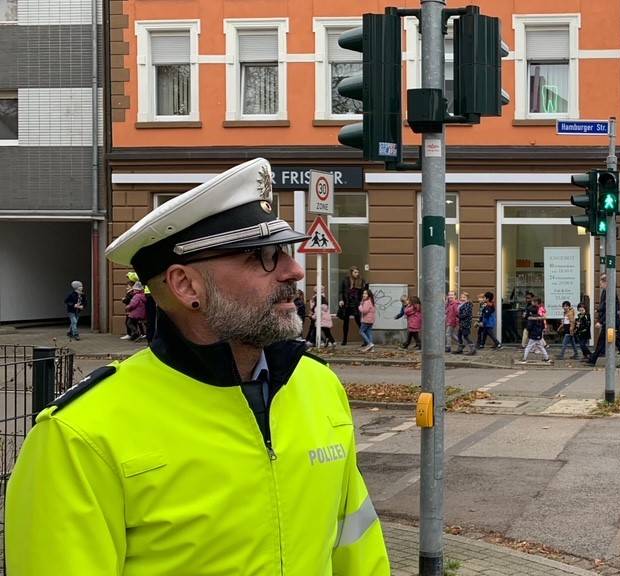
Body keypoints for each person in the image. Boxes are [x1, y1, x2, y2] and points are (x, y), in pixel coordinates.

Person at [6, 158, 389, 574]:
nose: (293, 269)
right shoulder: (79, 437)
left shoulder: (319, 385)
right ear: (186, 284)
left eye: (284, 250)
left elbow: (358, 549)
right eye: (262, 256)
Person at [587, 273, 620, 368]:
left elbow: (610, 309)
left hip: (612, 322)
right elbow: (604, 306)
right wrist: (599, 311)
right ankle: (593, 360)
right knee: (601, 341)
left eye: (601, 282)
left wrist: (600, 321)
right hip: (609, 321)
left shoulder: (610, 292)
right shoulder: (605, 292)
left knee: (619, 342)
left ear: (606, 282)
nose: (600, 284)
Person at [338, 267, 366, 346]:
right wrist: (341, 300)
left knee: (359, 322)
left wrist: (362, 301)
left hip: (356, 303)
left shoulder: (361, 280)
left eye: (358, 272)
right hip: (347, 303)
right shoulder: (345, 280)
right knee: (346, 322)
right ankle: (344, 340)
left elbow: (363, 292)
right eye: (355, 272)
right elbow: (341, 291)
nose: (357, 274)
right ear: (351, 272)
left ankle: (365, 340)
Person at [456, 291, 475, 355]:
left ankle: (472, 349)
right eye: (461, 297)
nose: (462, 298)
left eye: (464, 297)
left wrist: (458, 316)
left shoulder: (468, 304)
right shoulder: (462, 304)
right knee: (459, 335)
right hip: (462, 323)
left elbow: (465, 314)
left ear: (467, 298)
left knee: (466, 336)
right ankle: (460, 349)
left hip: (466, 323)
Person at [358, 287, 376, 352]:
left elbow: (364, 311)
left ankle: (369, 344)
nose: (363, 295)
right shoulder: (371, 301)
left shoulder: (367, 302)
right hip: (371, 320)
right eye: (363, 293)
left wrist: (360, 306)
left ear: (369, 295)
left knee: (361, 331)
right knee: (369, 333)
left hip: (366, 320)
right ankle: (372, 348)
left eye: (365, 293)